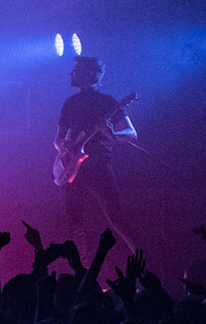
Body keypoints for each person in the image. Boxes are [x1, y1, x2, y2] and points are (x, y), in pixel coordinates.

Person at [56, 56, 142, 253]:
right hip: (72, 170)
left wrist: (112, 134)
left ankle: (142, 266)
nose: (71, 73)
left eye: (76, 69)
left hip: (98, 166)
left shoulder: (107, 103)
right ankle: (82, 269)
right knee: (74, 222)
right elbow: (57, 140)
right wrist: (64, 148)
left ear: (89, 74)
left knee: (116, 218)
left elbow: (132, 134)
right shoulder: (70, 103)